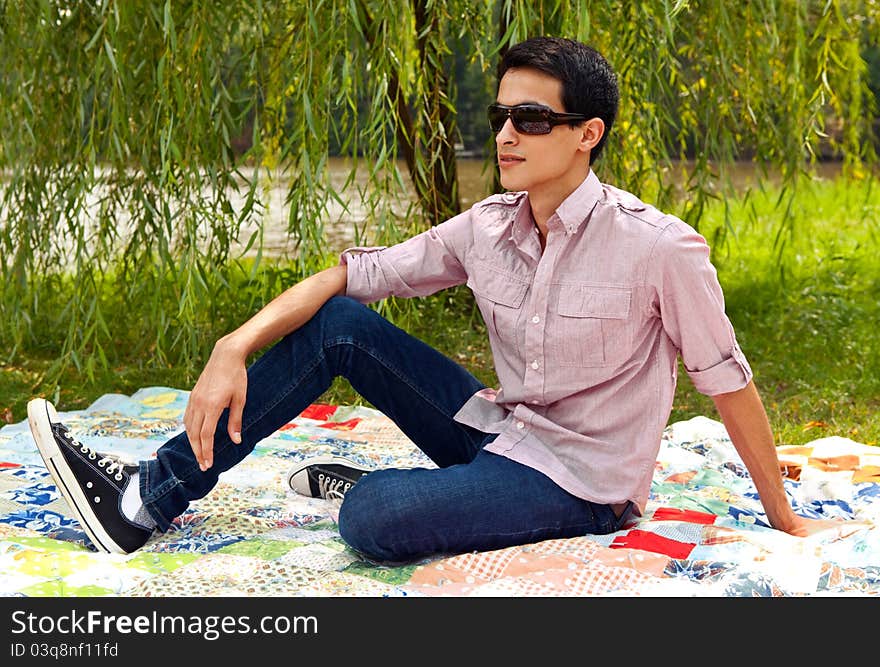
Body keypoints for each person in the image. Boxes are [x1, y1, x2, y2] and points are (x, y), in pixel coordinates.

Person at [28, 36, 845, 561]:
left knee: (372, 521)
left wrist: (784, 515)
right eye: (500, 115)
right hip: (501, 431)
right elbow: (351, 274)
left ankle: (396, 495)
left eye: (531, 118)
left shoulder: (658, 247)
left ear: (587, 133)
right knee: (341, 325)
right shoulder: (488, 225)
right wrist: (230, 346)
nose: (506, 136)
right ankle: (145, 498)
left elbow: (727, 379)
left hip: (580, 484)